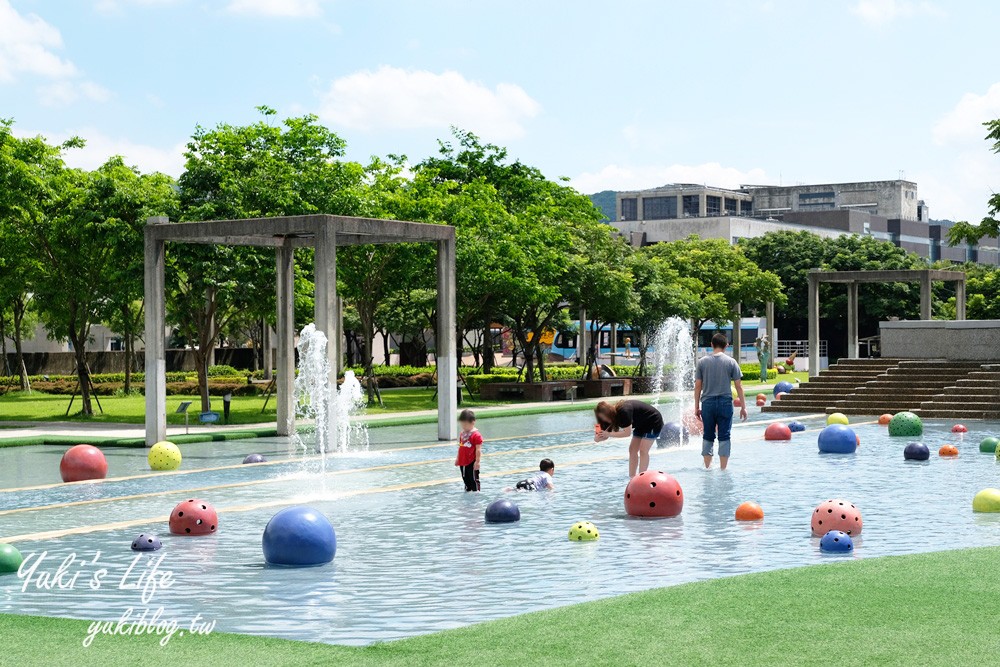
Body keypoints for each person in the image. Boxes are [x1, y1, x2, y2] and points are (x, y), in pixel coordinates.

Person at [695, 333, 748, 470]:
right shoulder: (731, 362)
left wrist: (696, 407)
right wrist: (743, 407)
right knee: (724, 435)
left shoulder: (702, 362)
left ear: (712, 345)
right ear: (726, 346)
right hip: (725, 403)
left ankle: (707, 467)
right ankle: (723, 468)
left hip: (707, 403)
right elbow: (739, 386)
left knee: (708, 434)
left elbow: (698, 386)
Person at [594, 399, 664, 477]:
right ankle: (632, 478)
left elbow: (627, 433)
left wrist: (608, 434)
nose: (604, 420)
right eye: (602, 418)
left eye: (604, 417)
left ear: (609, 413)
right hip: (641, 424)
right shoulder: (608, 418)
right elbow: (603, 436)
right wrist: (597, 438)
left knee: (643, 450)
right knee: (632, 450)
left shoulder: (623, 411)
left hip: (653, 421)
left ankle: (642, 476)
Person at [454, 409, 483, 491]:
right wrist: (457, 459)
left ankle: (476, 492)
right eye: (462, 425)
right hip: (463, 461)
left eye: (465, 425)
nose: (464, 427)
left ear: (473, 422)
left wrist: (477, 462)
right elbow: (461, 447)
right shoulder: (462, 434)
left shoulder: (476, 435)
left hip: (472, 462)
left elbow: (478, 450)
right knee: (465, 478)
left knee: (473, 479)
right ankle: (467, 490)